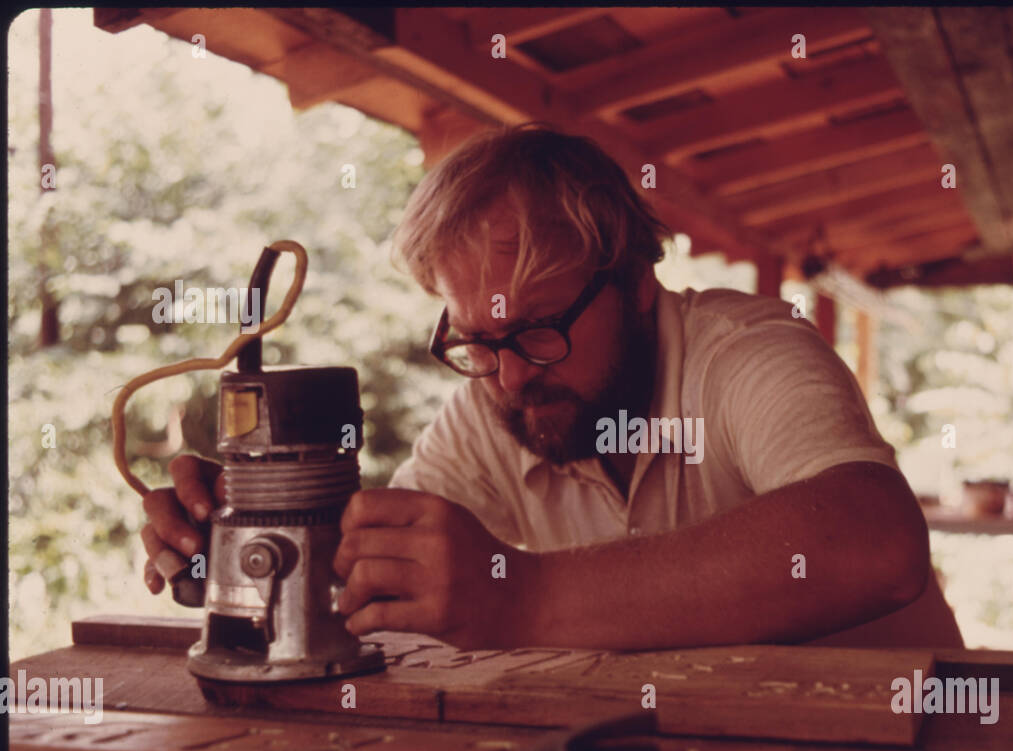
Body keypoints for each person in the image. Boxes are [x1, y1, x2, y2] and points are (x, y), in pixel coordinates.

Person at [141, 123, 964, 653]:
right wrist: (249, 533)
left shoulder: (747, 355)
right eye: (477, 340)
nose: (511, 374)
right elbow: (370, 582)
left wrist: (525, 597)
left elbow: (876, 544)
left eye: (539, 327)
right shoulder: (492, 408)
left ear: (636, 282)